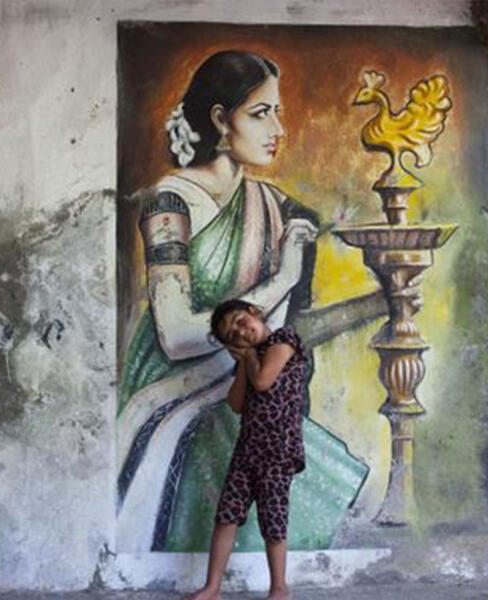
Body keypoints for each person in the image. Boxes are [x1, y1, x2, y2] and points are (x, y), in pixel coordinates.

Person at [117, 50, 369, 552]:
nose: (278, 127)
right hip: (174, 382)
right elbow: (177, 336)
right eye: (260, 113)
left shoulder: (282, 210)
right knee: (210, 441)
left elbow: (285, 338)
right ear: (219, 119)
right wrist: (284, 277)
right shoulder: (169, 203)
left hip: (252, 378)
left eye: (278, 111)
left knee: (279, 444)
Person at [184, 299, 305, 600]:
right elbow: (236, 404)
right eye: (231, 335)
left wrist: (249, 357)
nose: (240, 332)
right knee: (226, 514)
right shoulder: (248, 360)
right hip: (248, 448)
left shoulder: (284, 340)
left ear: (255, 312)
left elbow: (264, 381)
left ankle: (279, 589)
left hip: (279, 449)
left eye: (240, 322)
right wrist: (243, 363)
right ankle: (212, 588)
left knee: (273, 518)